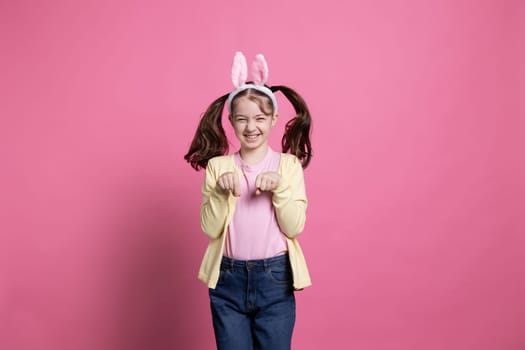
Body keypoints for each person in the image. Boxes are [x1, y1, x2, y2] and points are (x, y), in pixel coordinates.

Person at [184, 51, 312, 350]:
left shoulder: (288, 166)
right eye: (242, 119)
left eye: (259, 118)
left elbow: (294, 228)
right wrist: (218, 191)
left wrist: (279, 189)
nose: (251, 127)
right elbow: (209, 229)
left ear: (273, 119)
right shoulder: (219, 167)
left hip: (275, 279)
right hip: (228, 278)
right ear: (230, 120)